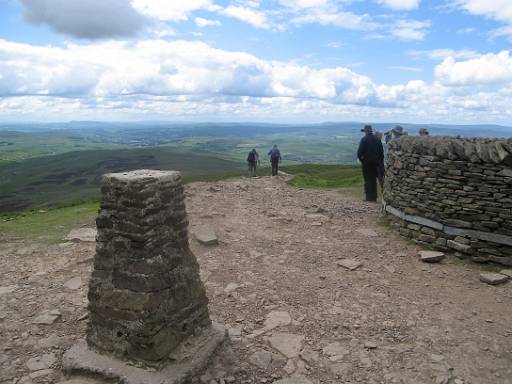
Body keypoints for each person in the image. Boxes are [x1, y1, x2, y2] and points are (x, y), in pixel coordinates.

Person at [357, 125, 384, 202]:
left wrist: (362, 161)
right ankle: (374, 197)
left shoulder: (364, 139)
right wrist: (380, 162)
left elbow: (359, 153)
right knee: (375, 180)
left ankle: (369, 198)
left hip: (367, 164)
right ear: (371, 131)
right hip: (376, 163)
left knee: (368, 180)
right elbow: (381, 153)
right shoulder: (377, 139)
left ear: (366, 131)